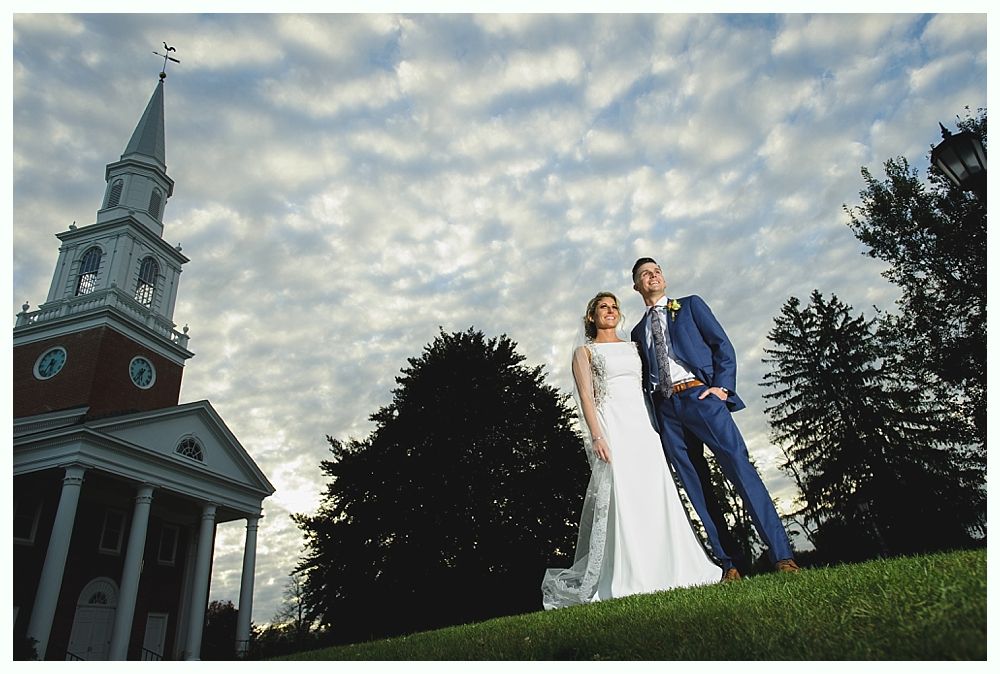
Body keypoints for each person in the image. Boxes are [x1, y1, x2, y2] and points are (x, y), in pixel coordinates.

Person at [541, 292, 720, 609]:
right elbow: (586, 397)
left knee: (656, 493)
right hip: (614, 429)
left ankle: (676, 567)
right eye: (602, 308)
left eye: (613, 307)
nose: (609, 311)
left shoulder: (635, 347)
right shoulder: (584, 352)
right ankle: (633, 575)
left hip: (643, 430)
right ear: (591, 317)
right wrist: (598, 436)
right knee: (626, 499)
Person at [629, 257, 799, 581]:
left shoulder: (690, 306)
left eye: (657, 271)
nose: (653, 276)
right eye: (644, 274)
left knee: (741, 469)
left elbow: (722, 346)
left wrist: (721, 388)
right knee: (697, 489)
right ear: (636, 286)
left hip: (701, 398)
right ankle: (728, 565)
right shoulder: (638, 331)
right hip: (667, 411)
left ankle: (782, 557)